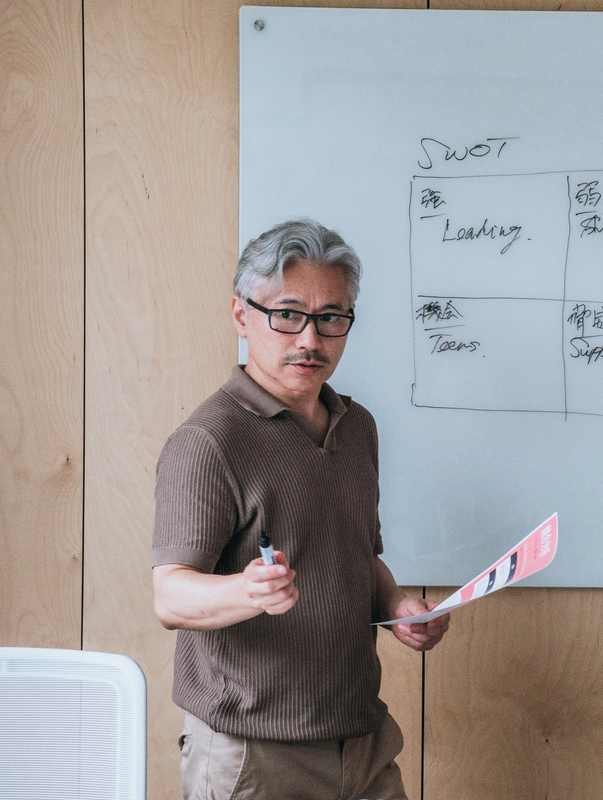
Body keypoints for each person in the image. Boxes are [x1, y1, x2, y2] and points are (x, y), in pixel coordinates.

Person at [152, 217, 450, 800]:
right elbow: (170, 596)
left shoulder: (357, 426)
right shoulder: (209, 441)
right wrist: (247, 591)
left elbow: (358, 557)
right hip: (252, 756)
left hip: (360, 741)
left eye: (331, 318)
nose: (310, 340)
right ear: (242, 315)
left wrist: (396, 606)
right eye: (287, 315)